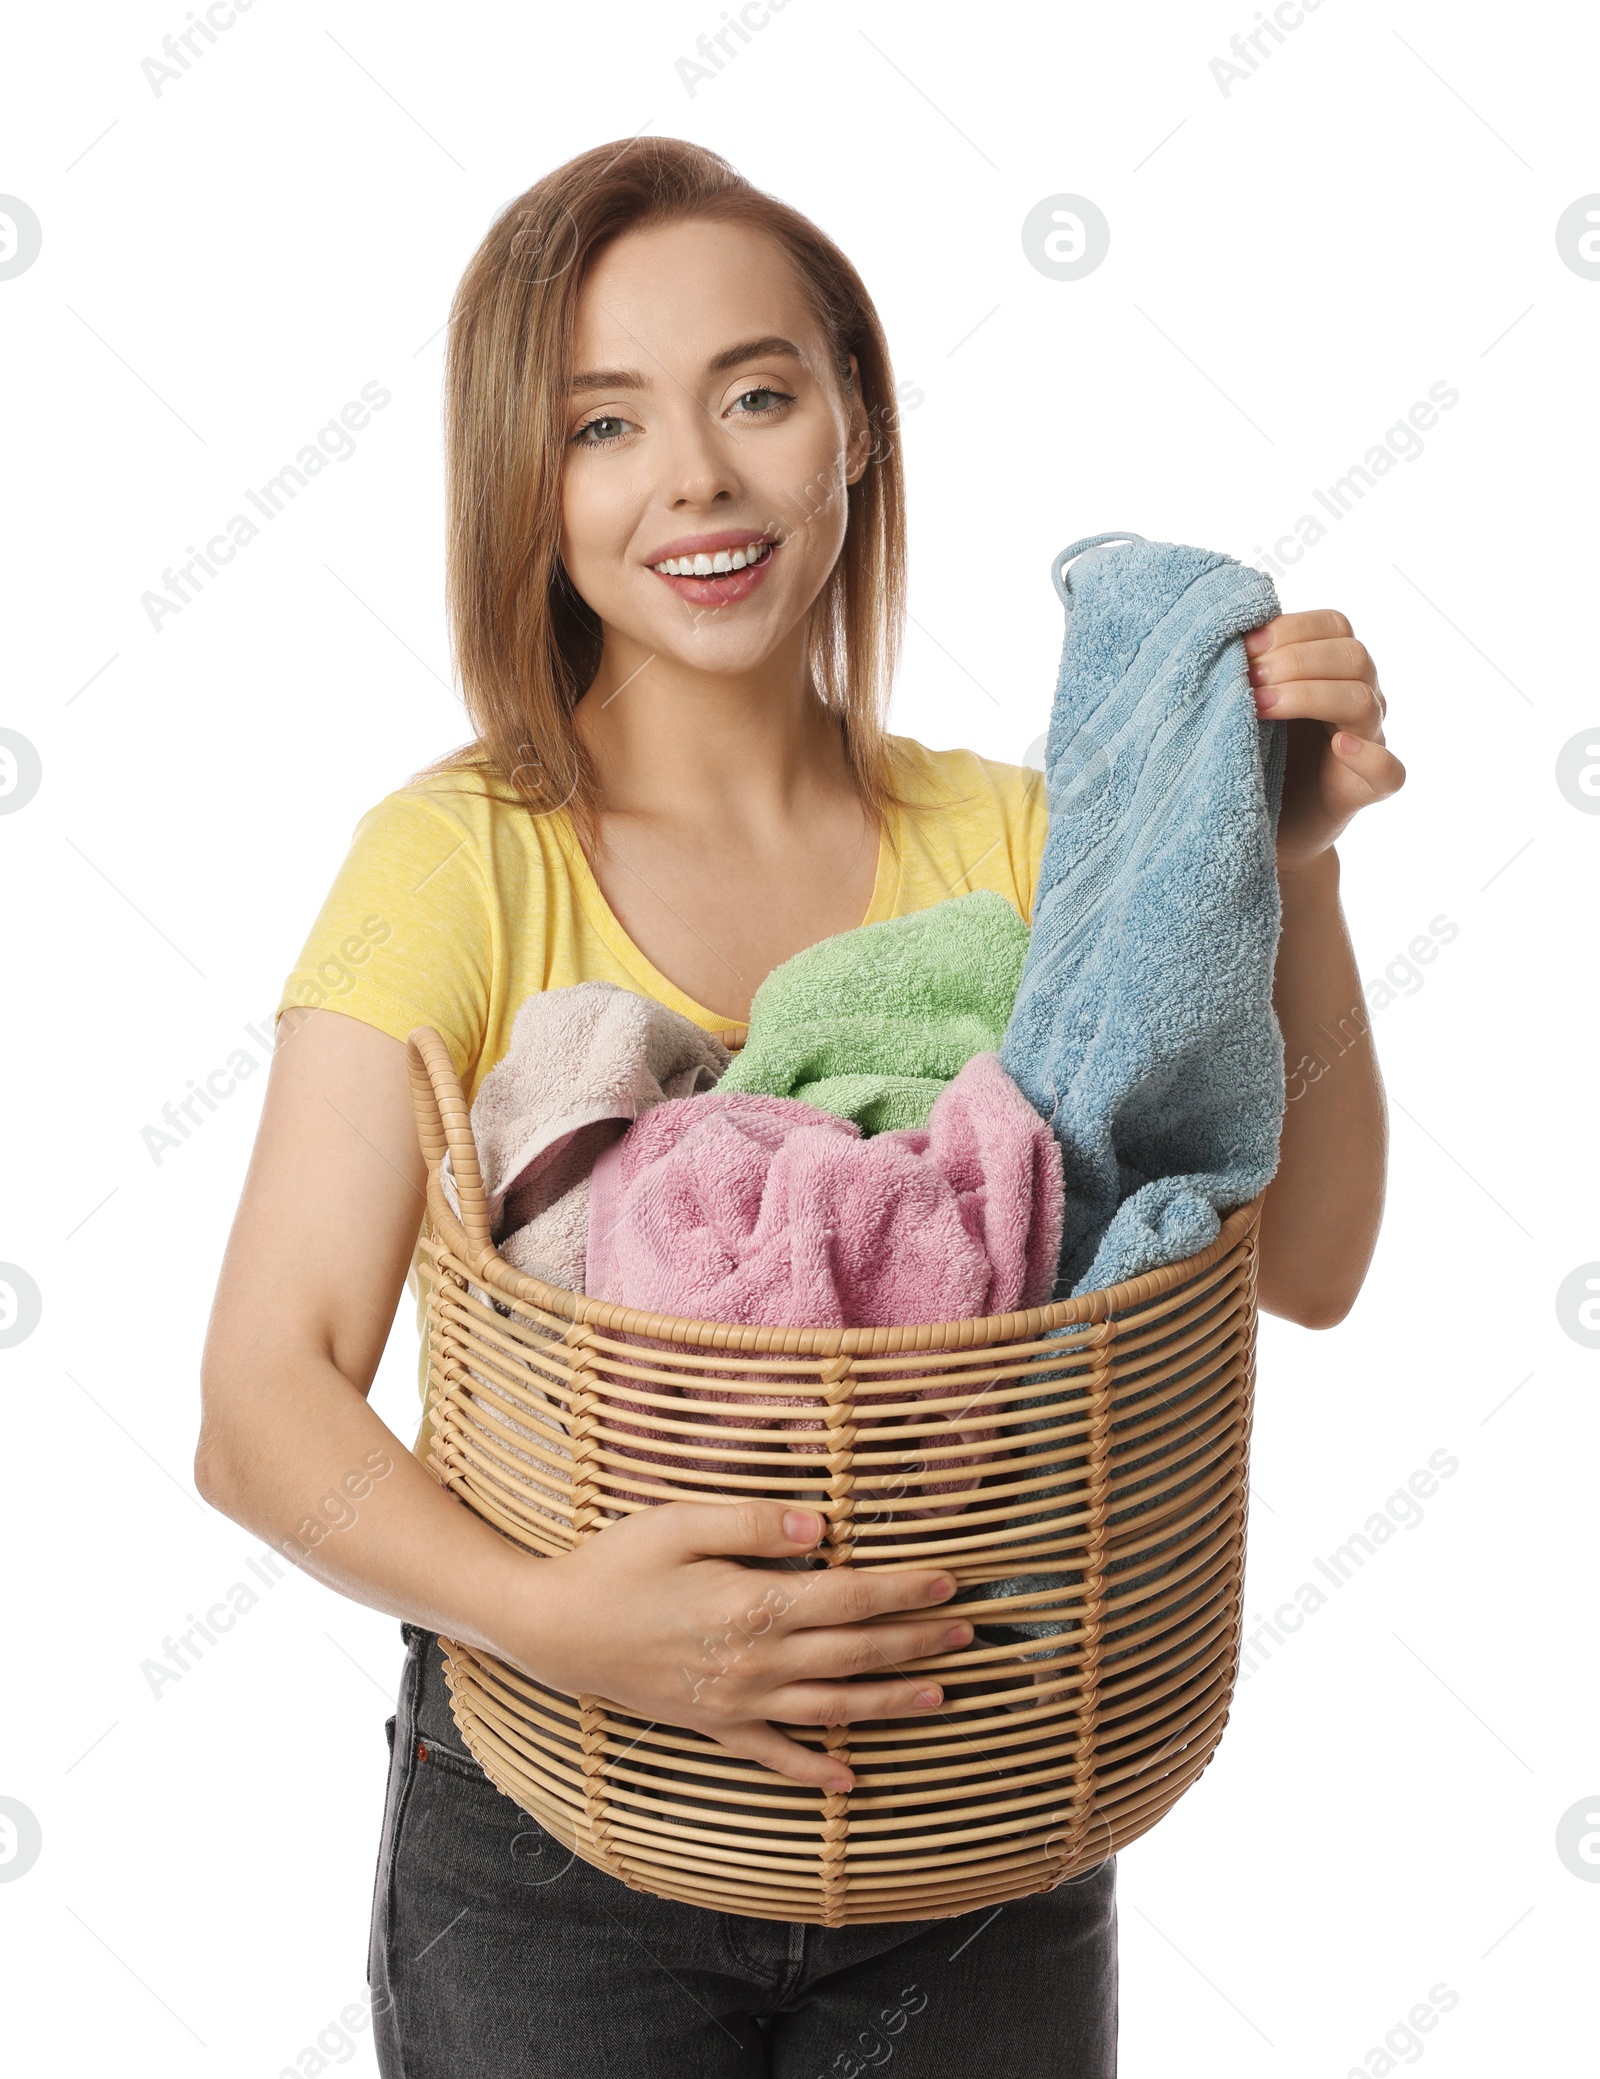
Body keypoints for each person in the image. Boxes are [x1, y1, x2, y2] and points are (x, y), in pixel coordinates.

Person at [196, 136, 1402, 2077]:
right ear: (530, 481)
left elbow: (1308, 1256)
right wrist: (559, 1618)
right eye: (603, 424)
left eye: (756, 392)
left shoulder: (1018, 846)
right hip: (550, 1830)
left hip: (977, 1815)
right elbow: (260, 1403)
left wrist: (1294, 863)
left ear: (851, 420)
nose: (694, 475)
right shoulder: (456, 861)